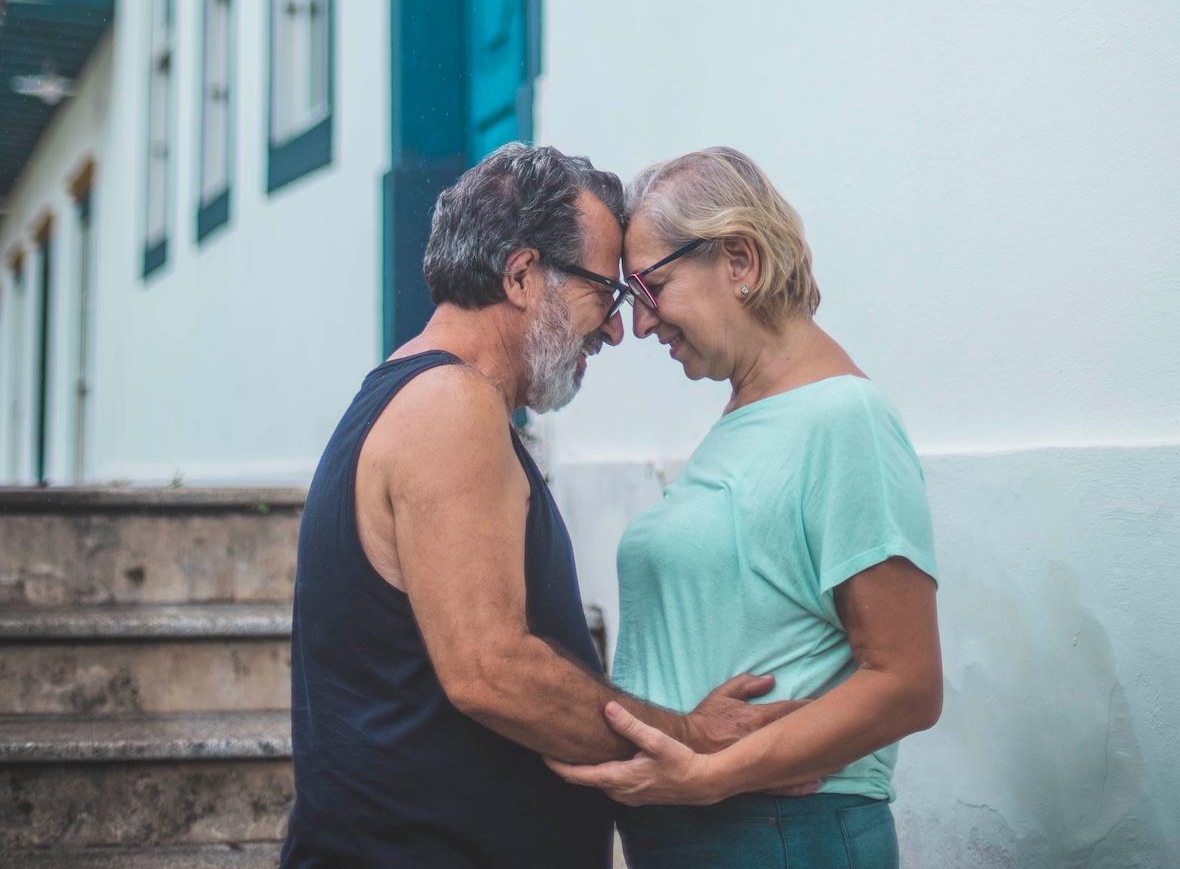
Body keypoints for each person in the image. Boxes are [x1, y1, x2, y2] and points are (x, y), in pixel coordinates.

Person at [281, 142, 804, 869]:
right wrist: (689, 739)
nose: (618, 329)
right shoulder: (447, 405)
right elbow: (493, 671)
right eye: (606, 292)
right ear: (524, 275)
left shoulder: (423, 396)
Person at [548, 147, 943, 869]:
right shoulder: (750, 419)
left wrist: (706, 777)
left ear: (739, 260)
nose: (638, 326)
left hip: (778, 833)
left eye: (650, 288)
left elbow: (908, 684)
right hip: (709, 833)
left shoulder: (842, 418)